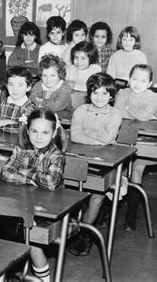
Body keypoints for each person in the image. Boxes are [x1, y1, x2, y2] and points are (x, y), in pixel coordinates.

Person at [0, 109, 67, 282]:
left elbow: (51, 183)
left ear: (53, 133)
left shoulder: (56, 155)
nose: (38, 137)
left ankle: (44, 279)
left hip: (50, 213)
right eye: (34, 131)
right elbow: (5, 172)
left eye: (45, 132)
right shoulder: (21, 149)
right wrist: (35, 178)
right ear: (27, 131)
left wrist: (25, 173)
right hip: (23, 205)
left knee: (30, 235)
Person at [68, 73, 122, 256]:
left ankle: (85, 234)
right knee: (70, 192)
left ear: (112, 96)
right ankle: (70, 227)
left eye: (104, 94)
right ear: (89, 93)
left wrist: (89, 136)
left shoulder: (115, 114)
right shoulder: (81, 110)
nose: (99, 97)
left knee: (97, 197)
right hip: (78, 159)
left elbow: (107, 138)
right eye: (95, 93)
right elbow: (74, 136)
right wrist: (99, 141)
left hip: (106, 164)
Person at [114, 64, 157, 231]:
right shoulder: (123, 92)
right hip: (122, 138)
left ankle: (130, 214)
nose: (138, 83)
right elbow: (118, 112)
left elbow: (144, 115)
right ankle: (108, 212)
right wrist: (138, 113)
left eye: (143, 80)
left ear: (150, 83)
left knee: (136, 171)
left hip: (145, 141)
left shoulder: (152, 97)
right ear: (128, 79)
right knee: (118, 172)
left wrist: (128, 110)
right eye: (134, 79)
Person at [0, 66, 35, 133]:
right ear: (6, 86)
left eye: (20, 85)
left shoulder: (29, 107)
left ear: (28, 87)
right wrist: (8, 122)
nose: (15, 89)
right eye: (11, 85)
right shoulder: (3, 103)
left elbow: (22, 129)